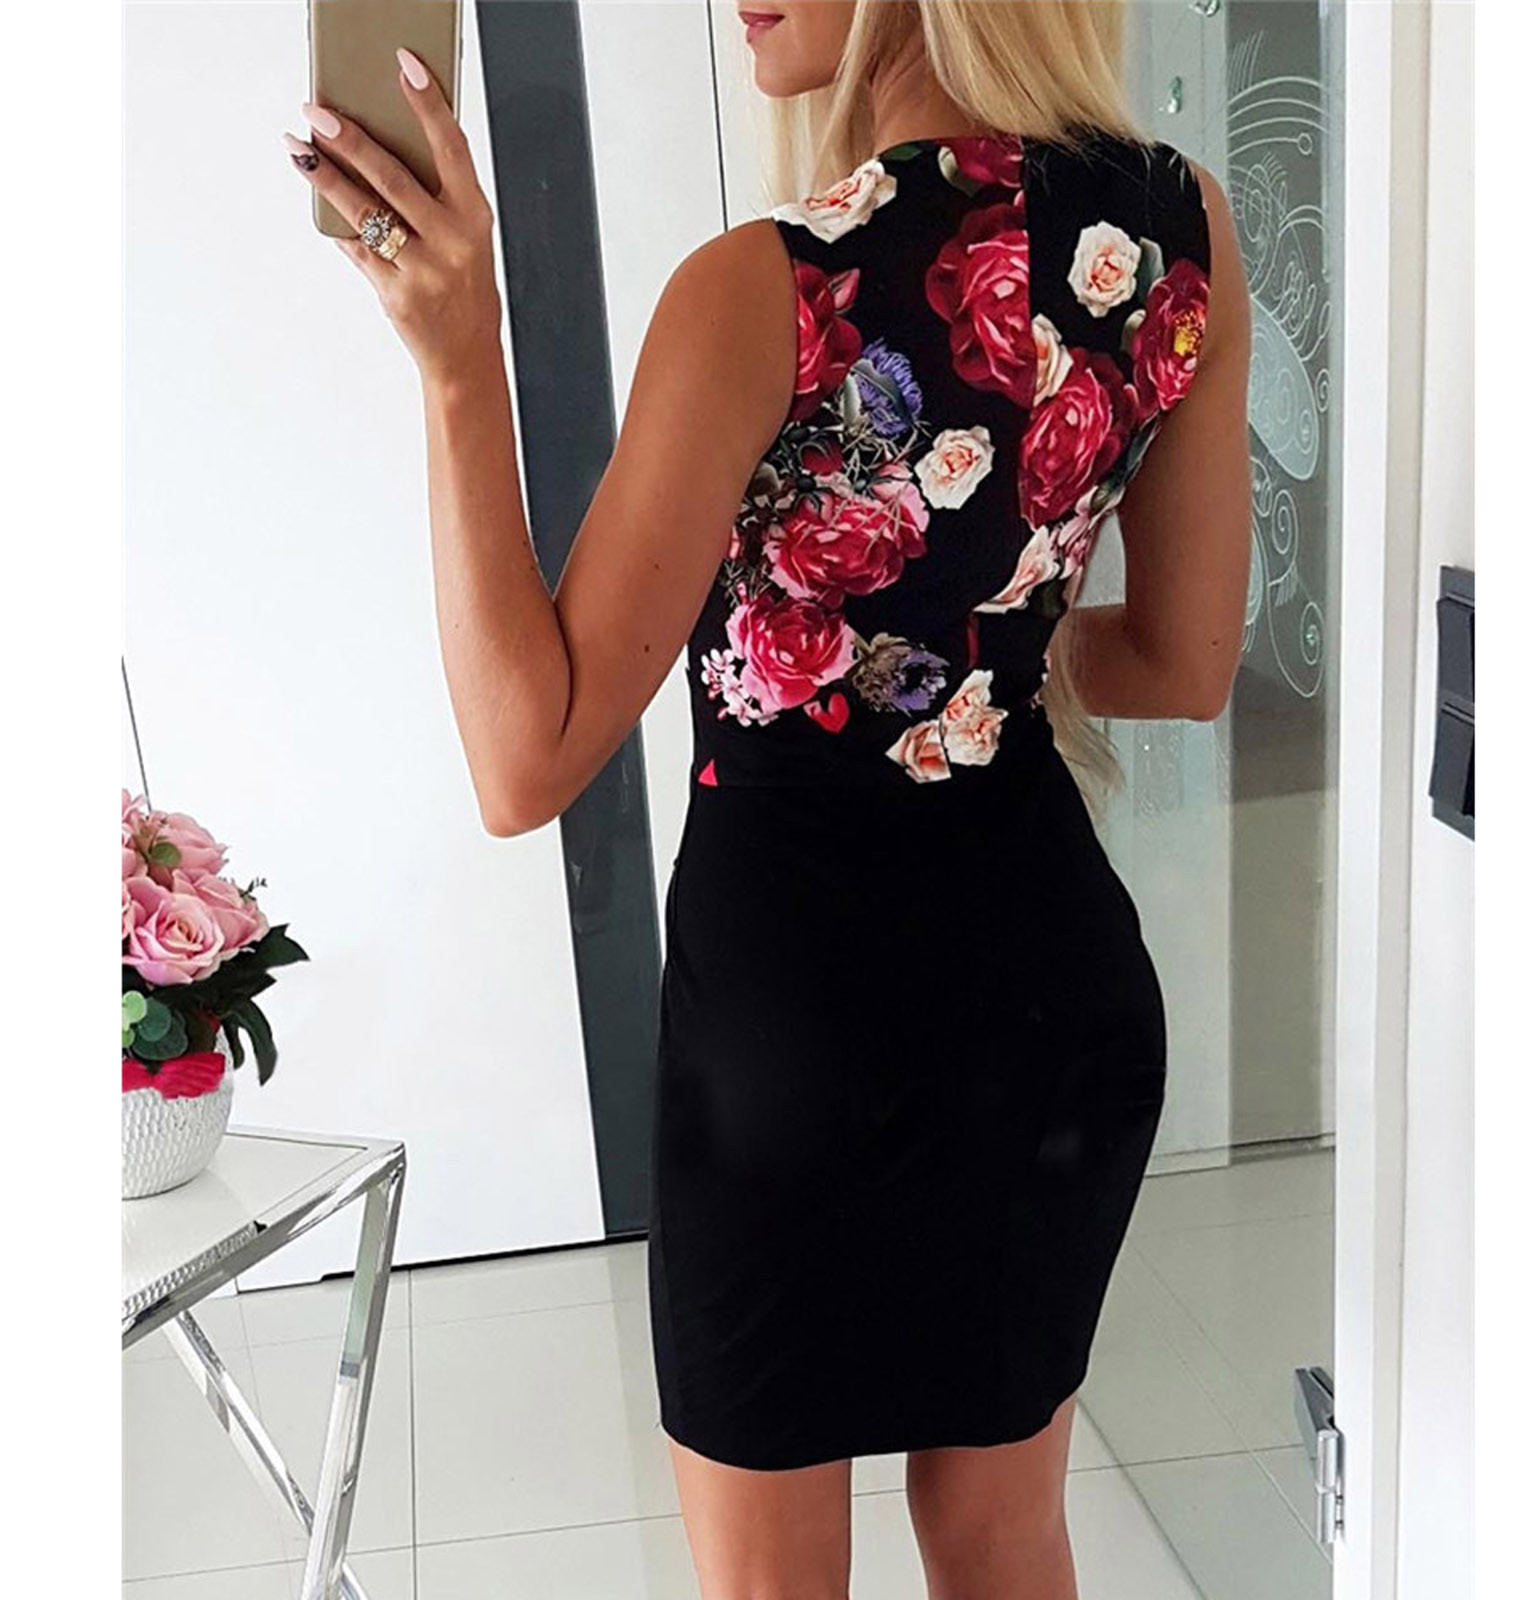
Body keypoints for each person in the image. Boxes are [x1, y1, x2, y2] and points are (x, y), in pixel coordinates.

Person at [283, 1, 1249, 1594]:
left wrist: (461, 365)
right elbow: (1183, 661)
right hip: (1049, 998)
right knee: (1008, 1537)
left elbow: (527, 759)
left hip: (796, 1024)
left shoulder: (768, 289)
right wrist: (958, 659)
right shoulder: (1176, 226)